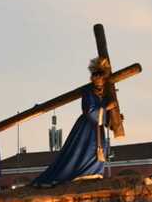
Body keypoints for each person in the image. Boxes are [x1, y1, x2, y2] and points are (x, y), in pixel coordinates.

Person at [31, 58, 116, 187]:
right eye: (96, 78)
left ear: (104, 80)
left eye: (101, 78)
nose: (98, 81)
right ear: (93, 79)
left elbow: (105, 116)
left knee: (100, 149)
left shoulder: (104, 95)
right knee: (81, 151)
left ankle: (94, 172)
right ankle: (80, 173)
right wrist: (106, 108)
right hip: (86, 127)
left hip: (98, 129)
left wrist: (114, 116)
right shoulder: (88, 92)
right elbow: (89, 111)